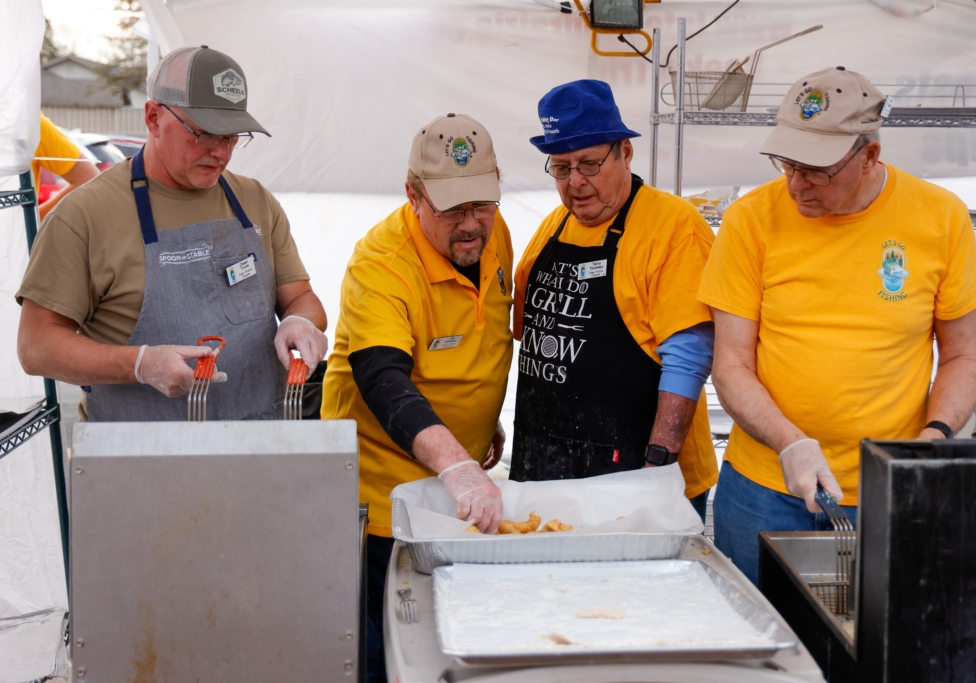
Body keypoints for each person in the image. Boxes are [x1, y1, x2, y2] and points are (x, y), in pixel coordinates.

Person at [697, 67, 976, 585]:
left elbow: (964, 355)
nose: (793, 186)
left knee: (875, 654)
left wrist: (930, 440)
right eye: (787, 164)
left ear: (869, 156)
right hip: (766, 488)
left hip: (887, 492)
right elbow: (732, 363)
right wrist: (789, 441)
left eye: (816, 170)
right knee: (764, 652)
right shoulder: (749, 220)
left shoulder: (940, 217)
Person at [17, 46, 328, 421]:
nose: (220, 152)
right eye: (204, 133)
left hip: (258, 447)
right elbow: (36, 346)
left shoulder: (254, 201)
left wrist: (301, 322)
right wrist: (139, 363)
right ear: (152, 117)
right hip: (136, 459)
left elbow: (301, 298)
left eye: (232, 136)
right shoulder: (83, 217)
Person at [320, 113, 512, 683]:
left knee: (457, 649)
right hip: (388, 504)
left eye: (483, 204)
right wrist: (458, 464)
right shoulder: (380, 263)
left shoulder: (489, 231)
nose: (472, 225)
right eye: (453, 210)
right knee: (394, 660)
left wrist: (483, 419)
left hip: (457, 494)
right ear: (413, 194)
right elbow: (384, 380)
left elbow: (485, 331)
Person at [510, 80, 719, 520]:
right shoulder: (553, 225)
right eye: (562, 168)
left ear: (625, 152)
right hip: (545, 468)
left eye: (589, 163)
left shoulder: (673, 226)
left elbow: (689, 355)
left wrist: (657, 466)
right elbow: (526, 336)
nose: (576, 182)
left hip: (638, 475)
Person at [33, 113, 100, 218]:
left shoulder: (29, 123)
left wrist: (34, 219)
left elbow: (89, 178)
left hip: (12, 232)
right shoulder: (28, 122)